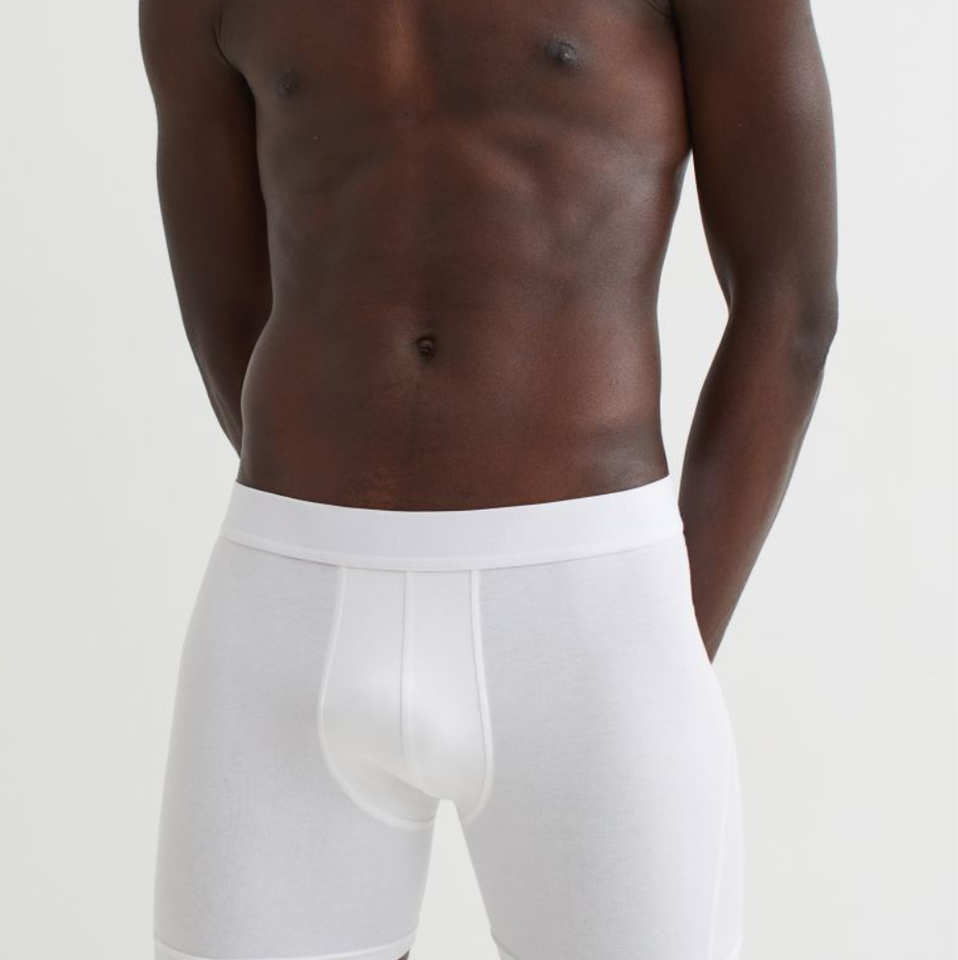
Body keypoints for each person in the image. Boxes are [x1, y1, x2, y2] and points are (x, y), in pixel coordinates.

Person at [139, 0, 837, 958]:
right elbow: (224, 310)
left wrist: (665, 626)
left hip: (590, 614)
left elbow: (792, 307)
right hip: (284, 618)